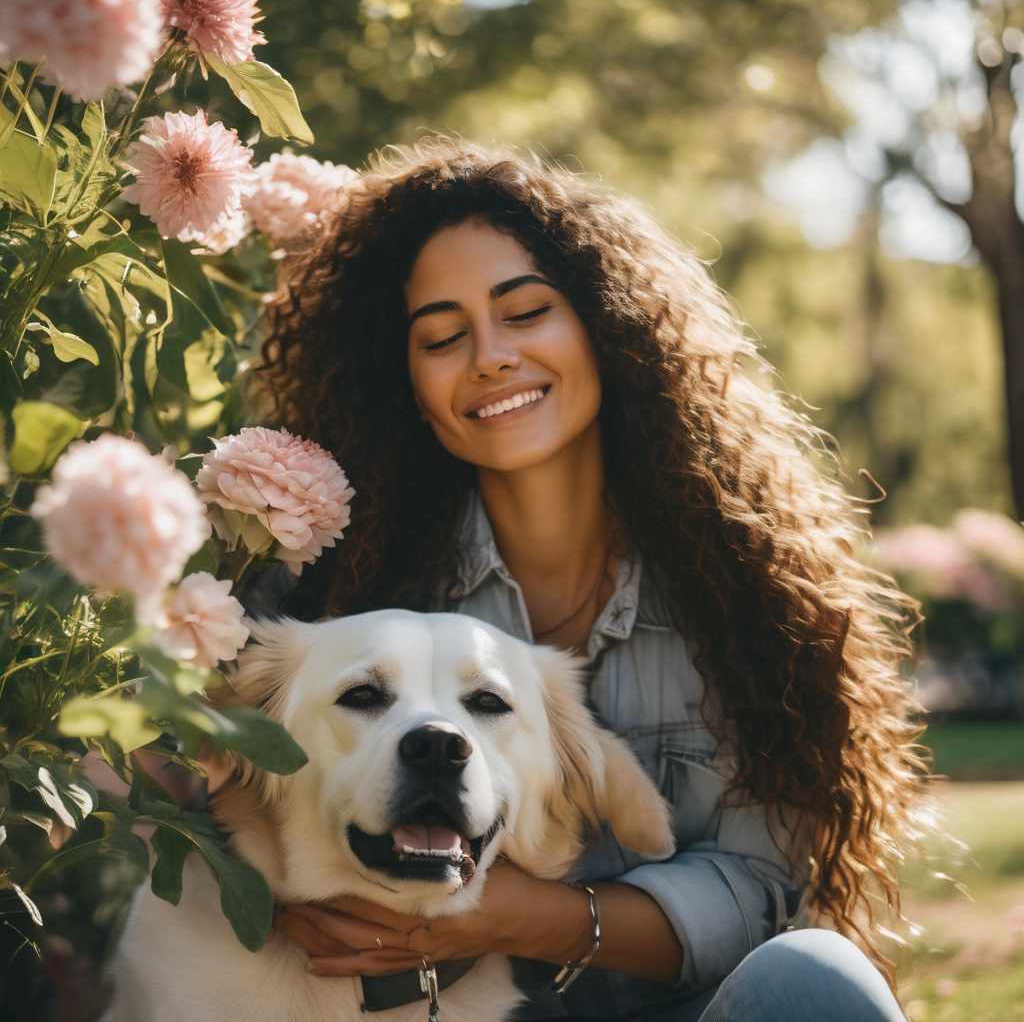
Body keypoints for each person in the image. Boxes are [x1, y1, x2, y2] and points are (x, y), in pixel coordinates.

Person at [257, 140, 921, 1022]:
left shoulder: (753, 595)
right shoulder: (347, 589)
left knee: (815, 979)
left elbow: (767, 888)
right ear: (407, 384)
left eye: (526, 312)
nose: (490, 357)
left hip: (709, 1007)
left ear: (606, 328)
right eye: (444, 337)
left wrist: (531, 917)